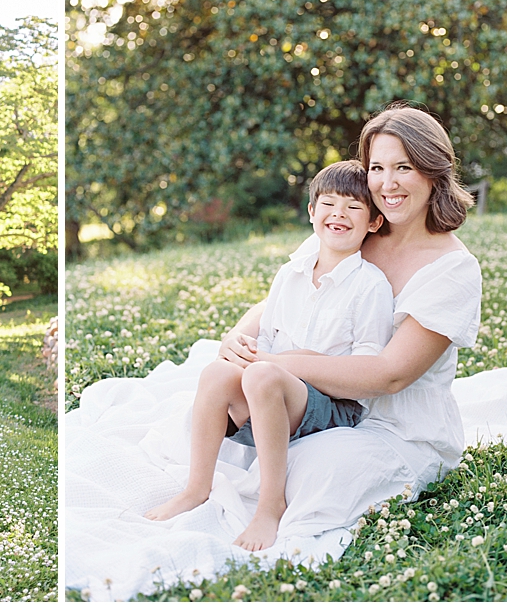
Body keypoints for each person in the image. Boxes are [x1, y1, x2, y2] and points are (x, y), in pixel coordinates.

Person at [64, 104, 483, 599]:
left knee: (319, 474)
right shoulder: (357, 227)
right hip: (304, 389)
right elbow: (280, 297)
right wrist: (237, 339)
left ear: (434, 171)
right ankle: (200, 486)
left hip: (394, 424)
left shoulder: (452, 269)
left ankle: (271, 503)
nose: (387, 183)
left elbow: (389, 375)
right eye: (377, 168)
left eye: (404, 167)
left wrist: (272, 363)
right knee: (207, 395)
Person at [145, 160, 393, 552]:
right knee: (215, 373)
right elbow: (269, 335)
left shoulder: (369, 286)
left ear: (374, 223)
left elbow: (364, 367)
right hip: (276, 392)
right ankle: (197, 488)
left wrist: (284, 362)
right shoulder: (290, 274)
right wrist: (243, 352)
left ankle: (269, 506)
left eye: (354, 207)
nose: (339, 214)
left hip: (333, 406)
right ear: (312, 212)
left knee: (262, 375)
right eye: (328, 204)